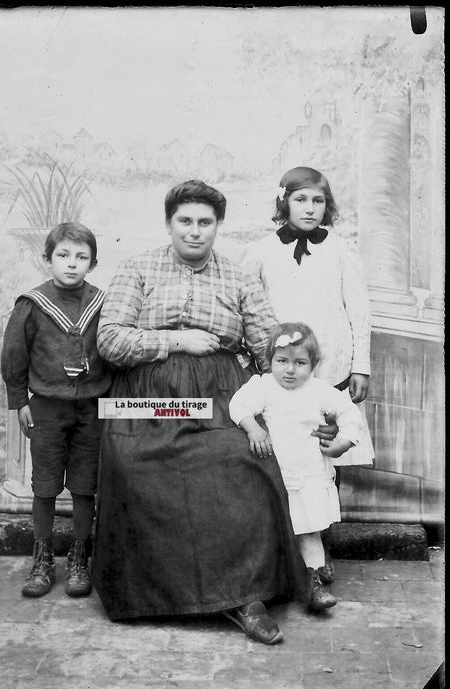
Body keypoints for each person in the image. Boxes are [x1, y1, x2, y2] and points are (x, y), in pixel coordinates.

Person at [92, 180, 337, 646]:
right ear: (169, 223)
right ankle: (158, 595)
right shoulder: (138, 268)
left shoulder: (238, 276)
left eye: (205, 222)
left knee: (247, 465)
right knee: (136, 467)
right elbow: (110, 341)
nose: (195, 231)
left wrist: (306, 398)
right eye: (185, 221)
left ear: (217, 226)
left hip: (222, 396)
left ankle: (247, 597)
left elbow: (271, 346)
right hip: (148, 400)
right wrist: (174, 341)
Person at [241, 166, 375, 580]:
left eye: (318, 201)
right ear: (284, 202)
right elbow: (248, 306)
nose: (310, 208)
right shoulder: (261, 251)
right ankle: (285, 547)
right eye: (301, 199)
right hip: (281, 374)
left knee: (324, 456)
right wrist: (253, 361)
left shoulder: (340, 249)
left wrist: (360, 365)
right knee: (283, 457)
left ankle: (320, 545)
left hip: (329, 369)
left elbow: (358, 308)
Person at [1, 222, 111, 598]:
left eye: (82, 258)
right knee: (45, 486)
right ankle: (43, 557)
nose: (71, 264)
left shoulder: (102, 303)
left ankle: (80, 556)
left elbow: (113, 353)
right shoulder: (32, 305)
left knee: (84, 486)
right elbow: (14, 356)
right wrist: (19, 401)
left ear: (93, 264)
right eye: (63, 256)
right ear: (47, 259)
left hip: (92, 410)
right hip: (46, 408)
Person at [229, 322, 365, 612]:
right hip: (277, 476)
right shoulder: (264, 386)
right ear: (270, 362)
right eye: (282, 361)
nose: (290, 370)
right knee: (273, 532)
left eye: (300, 363)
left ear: (313, 365)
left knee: (309, 532)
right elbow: (238, 405)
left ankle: (315, 586)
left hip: (309, 475)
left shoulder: (320, 391)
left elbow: (350, 414)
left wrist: (343, 442)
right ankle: (274, 583)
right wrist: (253, 428)